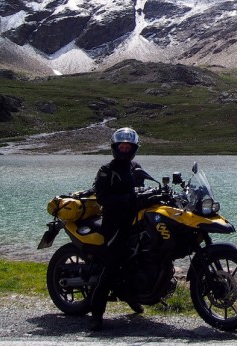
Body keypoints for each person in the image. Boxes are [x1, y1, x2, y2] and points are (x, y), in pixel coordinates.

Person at [85, 126, 148, 330]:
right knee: (112, 263)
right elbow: (103, 198)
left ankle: (133, 293)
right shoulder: (106, 170)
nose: (124, 149)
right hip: (114, 221)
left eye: (127, 146)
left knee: (140, 256)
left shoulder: (135, 167)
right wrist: (128, 199)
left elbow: (143, 189)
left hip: (134, 220)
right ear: (115, 147)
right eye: (121, 146)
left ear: (133, 148)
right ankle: (96, 314)